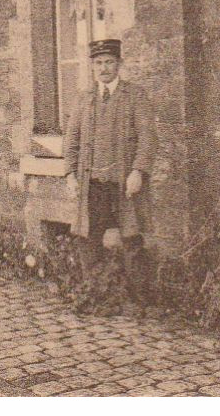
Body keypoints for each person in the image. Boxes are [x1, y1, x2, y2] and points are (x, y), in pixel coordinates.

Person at [64, 38, 158, 294]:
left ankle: (138, 298)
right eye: (98, 63)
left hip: (124, 181)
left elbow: (148, 137)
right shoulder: (84, 99)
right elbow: (71, 140)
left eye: (109, 62)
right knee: (88, 238)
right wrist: (70, 175)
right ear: (92, 66)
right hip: (92, 183)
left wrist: (138, 171)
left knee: (132, 238)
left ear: (119, 64)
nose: (104, 68)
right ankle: (96, 293)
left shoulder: (135, 95)